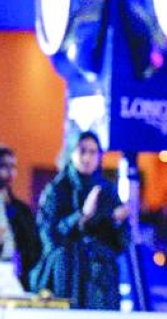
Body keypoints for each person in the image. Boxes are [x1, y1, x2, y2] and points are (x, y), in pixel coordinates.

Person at [31, 131, 130, 310]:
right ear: (71, 152)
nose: (87, 157)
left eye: (93, 152)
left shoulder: (107, 190)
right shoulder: (56, 190)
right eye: (82, 150)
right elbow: (49, 237)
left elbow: (122, 243)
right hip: (67, 276)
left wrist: (118, 221)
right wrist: (82, 215)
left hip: (100, 277)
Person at [0, 144, 41, 295]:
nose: (9, 172)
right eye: (4, 166)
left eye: (13, 166)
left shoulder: (21, 210)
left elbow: (34, 247)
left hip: (14, 277)